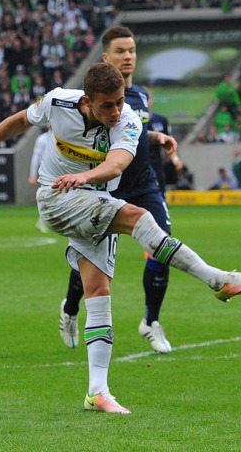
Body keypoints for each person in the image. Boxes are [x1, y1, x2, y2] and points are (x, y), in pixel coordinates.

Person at [0, 63, 241, 414]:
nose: (116, 111)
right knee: (139, 218)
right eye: (108, 105)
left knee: (99, 292)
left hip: (93, 199)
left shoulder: (129, 121)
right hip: (54, 198)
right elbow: (22, 120)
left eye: (120, 102)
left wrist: (86, 176)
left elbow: (116, 165)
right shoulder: (58, 102)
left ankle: (97, 392)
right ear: (88, 101)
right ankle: (218, 280)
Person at [59, 27, 184, 356]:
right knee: (90, 262)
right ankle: (71, 307)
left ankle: (151, 322)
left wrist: (158, 138)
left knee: (163, 245)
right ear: (106, 57)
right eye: (120, 51)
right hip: (107, 189)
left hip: (143, 185)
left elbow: (137, 131)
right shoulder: (95, 98)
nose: (128, 56)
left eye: (131, 51)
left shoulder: (141, 94)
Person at [28, 125, 52, 233]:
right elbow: (35, 157)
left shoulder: (63, 138)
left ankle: (43, 221)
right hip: (46, 174)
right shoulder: (42, 139)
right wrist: (33, 175)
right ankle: (42, 221)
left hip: (59, 173)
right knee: (48, 197)